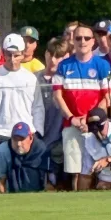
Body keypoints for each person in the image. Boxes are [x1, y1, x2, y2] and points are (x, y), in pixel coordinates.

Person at [53, 23, 111, 190]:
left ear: (93, 41)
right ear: (73, 40)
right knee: (76, 172)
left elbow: (108, 97)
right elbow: (58, 96)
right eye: (78, 38)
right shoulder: (63, 66)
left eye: (87, 38)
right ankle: (77, 203)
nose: (83, 41)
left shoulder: (103, 65)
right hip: (72, 125)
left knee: (99, 169)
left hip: (96, 125)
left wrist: (90, 120)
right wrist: (72, 118)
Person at [0, 34, 45, 150]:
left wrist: (37, 132)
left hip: (27, 135)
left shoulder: (30, 78)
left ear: (23, 54)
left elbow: (38, 107)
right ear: (3, 53)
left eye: (16, 55)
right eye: (9, 54)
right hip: (2, 135)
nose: (12, 59)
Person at [36, 37, 68, 181]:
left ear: (66, 57)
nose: (54, 60)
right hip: (37, 141)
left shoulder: (69, 81)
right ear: (46, 54)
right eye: (51, 55)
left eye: (59, 56)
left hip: (61, 143)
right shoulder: (32, 79)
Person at [0, 122, 52, 193]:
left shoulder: (42, 149)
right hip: (12, 195)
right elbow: (0, 183)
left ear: (30, 138)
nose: (18, 144)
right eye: (15, 139)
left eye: (22, 139)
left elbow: (49, 183)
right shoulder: (3, 150)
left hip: (38, 194)